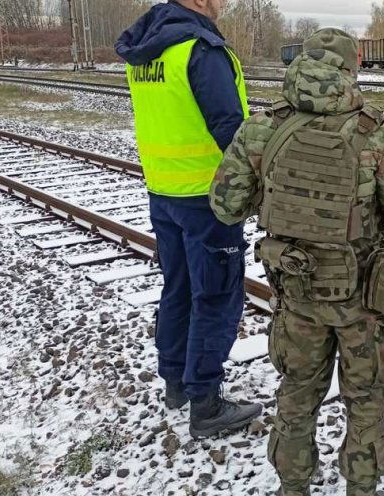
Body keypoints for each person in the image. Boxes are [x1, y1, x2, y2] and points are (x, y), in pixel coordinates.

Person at [209, 28, 384, 496]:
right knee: (366, 400)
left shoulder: (261, 127)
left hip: (296, 292)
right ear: (352, 69)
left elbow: (226, 207)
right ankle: (361, 488)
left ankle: (292, 486)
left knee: (296, 395)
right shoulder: (376, 132)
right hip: (363, 300)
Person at [115, 0, 262, 439]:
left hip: (163, 191)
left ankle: (176, 381)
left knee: (178, 286)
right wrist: (257, 182)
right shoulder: (201, 49)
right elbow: (230, 127)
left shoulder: (146, 48)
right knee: (216, 295)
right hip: (207, 196)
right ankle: (206, 403)